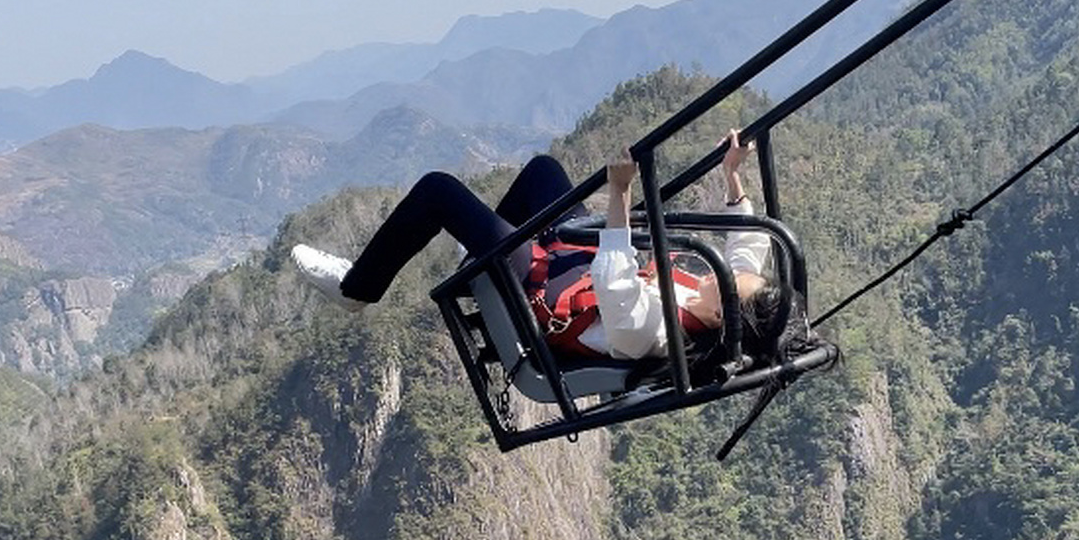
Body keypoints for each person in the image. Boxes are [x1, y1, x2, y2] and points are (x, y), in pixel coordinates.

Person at [291, 132, 792, 364]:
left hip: (545, 300)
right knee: (544, 174)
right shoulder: (712, 300)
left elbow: (616, 287)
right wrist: (733, 175)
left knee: (438, 190)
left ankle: (357, 289)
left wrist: (619, 193)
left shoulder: (659, 333)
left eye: (721, 285)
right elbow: (746, 255)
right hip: (575, 270)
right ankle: (483, 258)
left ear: (722, 317)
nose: (715, 274)